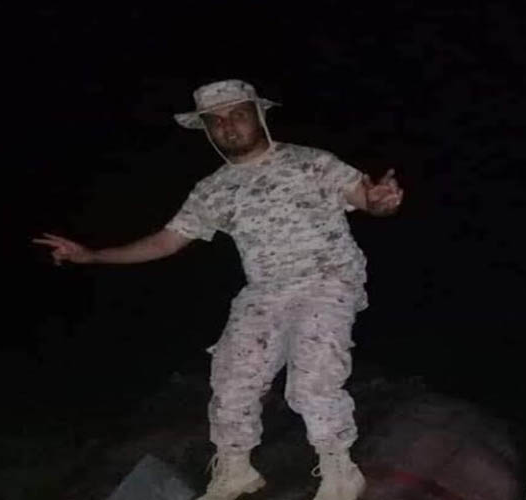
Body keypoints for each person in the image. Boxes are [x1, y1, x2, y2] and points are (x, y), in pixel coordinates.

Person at [33, 79, 403, 500]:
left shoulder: (312, 162)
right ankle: (235, 471)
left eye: (238, 115)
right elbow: (165, 242)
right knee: (231, 378)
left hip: (326, 279)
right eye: (216, 121)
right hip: (264, 290)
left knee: (312, 379)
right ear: (208, 131)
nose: (228, 126)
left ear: (258, 115)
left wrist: (380, 201)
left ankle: (340, 470)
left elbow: (367, 198)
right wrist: (93, 256)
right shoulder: (213, 190)